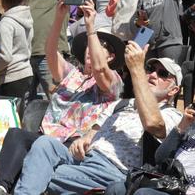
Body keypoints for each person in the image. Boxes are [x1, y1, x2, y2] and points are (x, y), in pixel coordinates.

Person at [0, 0, 124, 195]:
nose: (92, 48)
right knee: (16, 135)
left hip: (74, 145)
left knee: (35, 147)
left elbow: (99, 69)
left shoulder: (113, 81)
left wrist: (91, 28)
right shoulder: (73, 73)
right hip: (46, 139)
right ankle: (0, 188)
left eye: (101, 45)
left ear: (112, 56)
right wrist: (59, 18)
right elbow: (50, 53)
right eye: (91, 44)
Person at [15, 42, 183, 195]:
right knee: (45, 144)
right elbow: (93, 132)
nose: (153, 75)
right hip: (85, 160)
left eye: (163, 74)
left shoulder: (172, 114)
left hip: (115, 171)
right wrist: (84, 139)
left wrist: (137, 69)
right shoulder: (121, 104)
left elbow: (154, 124)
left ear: (173, 90)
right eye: (149, 69)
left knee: (35, 172)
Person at [0, 0, 34, 107]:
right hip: (26, 73)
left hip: (11, 77)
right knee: (20, 118)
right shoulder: (27, 18)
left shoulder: (6, 22)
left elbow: (6, 56)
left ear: (2, 0)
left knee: (9, 120)